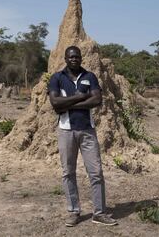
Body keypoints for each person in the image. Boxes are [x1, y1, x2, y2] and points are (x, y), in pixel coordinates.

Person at [48, 45, 118, 227]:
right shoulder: (57, 78)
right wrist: (80, 97)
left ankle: (99, 213)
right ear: (65, 58)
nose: (74, 59)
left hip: (88, 130)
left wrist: (68, 104)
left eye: (77, 56)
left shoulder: (90, 76)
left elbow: (96, 100)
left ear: (81, 58)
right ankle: (73, 212)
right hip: (65, 131)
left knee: (96, 172)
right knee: (68, 172)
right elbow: (55, 103)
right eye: (70, 56)